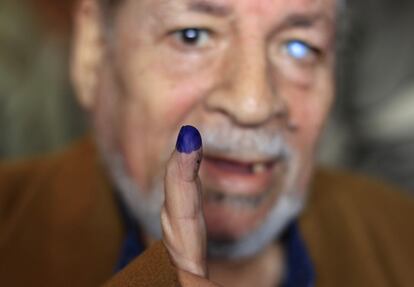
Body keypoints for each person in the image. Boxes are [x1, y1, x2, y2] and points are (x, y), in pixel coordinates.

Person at [0, 0, 413, 286]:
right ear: (93, 51)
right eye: (192, 35)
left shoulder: (401, 238)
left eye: (299, 46)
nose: (253, 103)